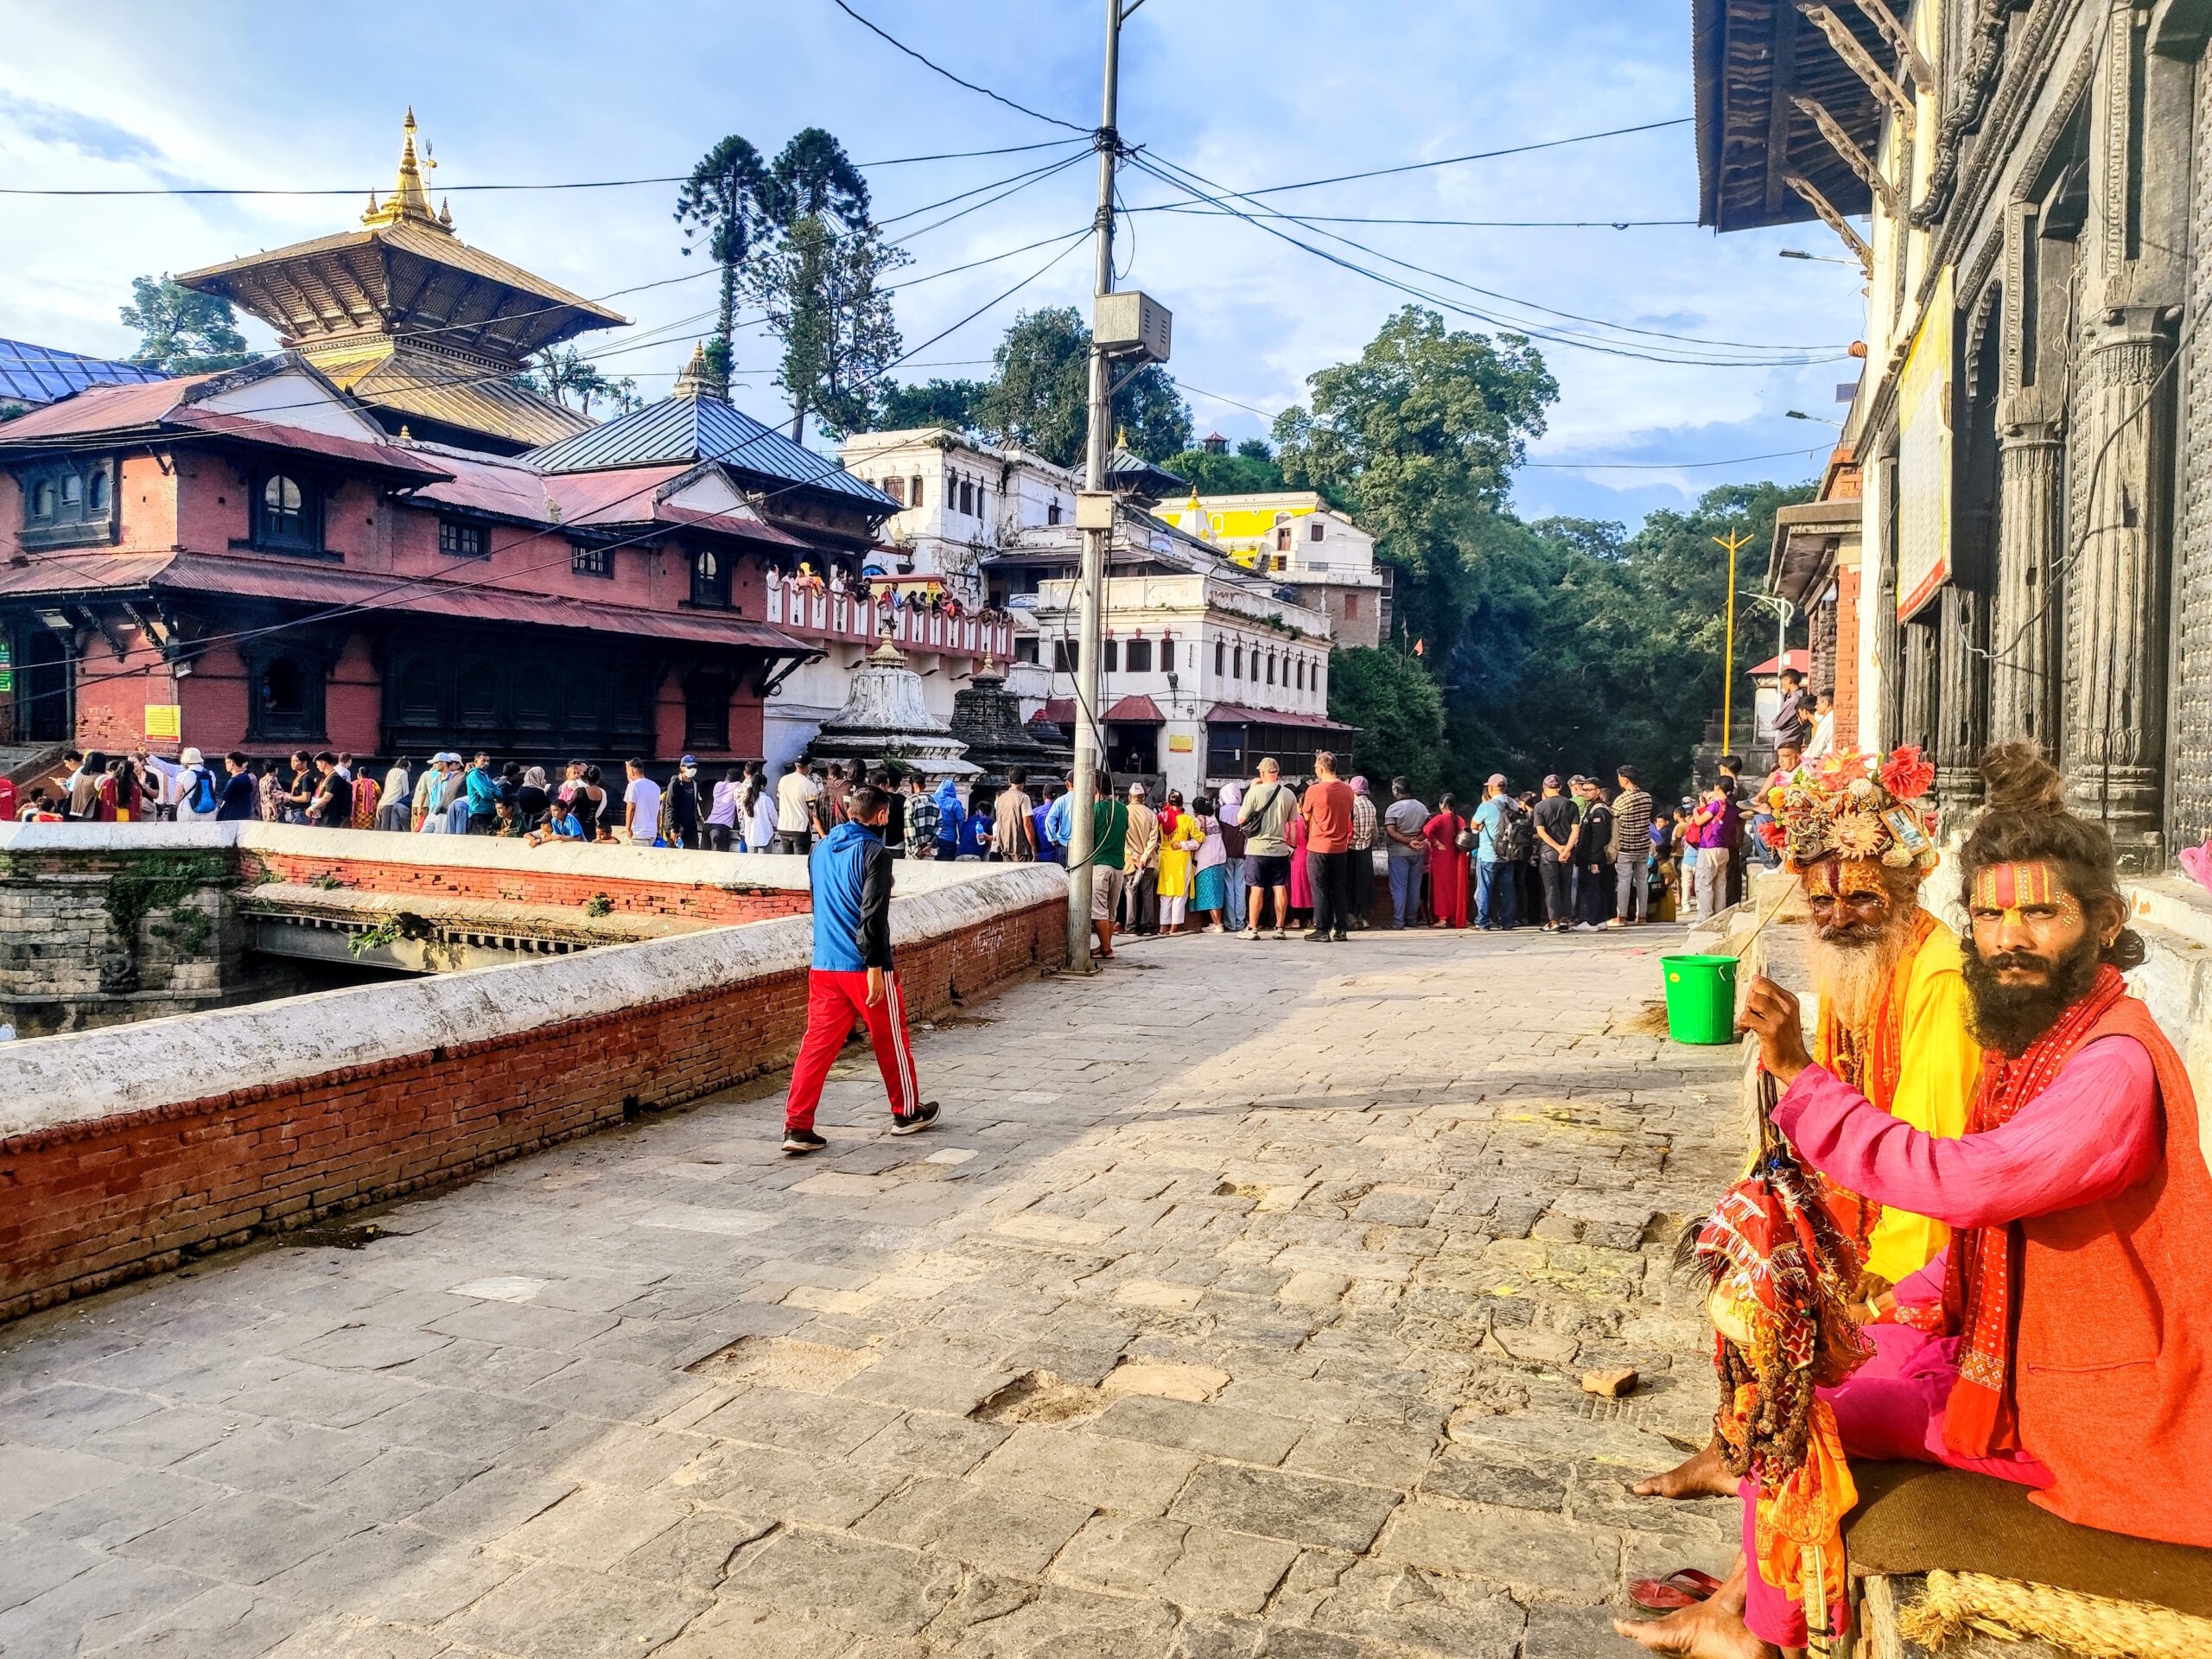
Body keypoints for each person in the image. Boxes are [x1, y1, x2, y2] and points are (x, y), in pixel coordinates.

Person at [1627, 741, 2212, 1657]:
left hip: (2097, 1412)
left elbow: (1963, 1181)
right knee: (1810, 1372)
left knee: (1797, 1418)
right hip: (2013, 1347)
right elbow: (1997, 1226)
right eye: (1987, 915)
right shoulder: (2051, 1039)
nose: (2006, 938)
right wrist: (1908, 1296)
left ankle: (1761, 1633)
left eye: (2037, 916)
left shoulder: (2113, 1069)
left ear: (2107, 922)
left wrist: (1800, 1079)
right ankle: (1743, 1602)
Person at [779, 783, 941, 1155]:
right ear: (882, 816)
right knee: (891, 1039)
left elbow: (819, 902)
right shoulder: (876, 853)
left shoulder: (818, 849)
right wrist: (874, 965)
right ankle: (907, 1112)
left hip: (824, 964)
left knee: (816, 1047)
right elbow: (873, 914)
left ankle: (797, 1125)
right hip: (864, 965)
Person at [1300, 750, 1357, 943]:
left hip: (1319, 846)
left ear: (1322, 768)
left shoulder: (1315, 790)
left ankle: (1322, 929)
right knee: (1339, 888)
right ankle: (1341, 928)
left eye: (1316, 767)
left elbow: (1306, 816)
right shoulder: (1348, 790)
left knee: (1320, 888)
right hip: (1340, 847)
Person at [1237, 760, 1297, 940]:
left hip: (1256, 848)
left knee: (1257, 889)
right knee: (1280, 888)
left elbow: (1241, 819)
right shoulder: (1289, 795)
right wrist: (1292, 846)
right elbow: (1293, 825)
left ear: (1262, 773)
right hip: (1279, 849)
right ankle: (1279, 928)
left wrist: (1251, 790)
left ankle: (1253, 928)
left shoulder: (1254, 792)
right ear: (1277, 772)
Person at [1087, 770, 1131, 961]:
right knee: (1111, 910)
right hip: (1118, 866)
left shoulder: (1094, 809)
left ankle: (1106, 949)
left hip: (1099, 865)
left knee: (1099, 911)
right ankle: (1106, 946)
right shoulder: (1122, 809)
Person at [1687, 772, 1740, 923]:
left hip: (1709, 846)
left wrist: (1697, 809)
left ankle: (1704, 917)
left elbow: (1699, 821)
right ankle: (1720, 915)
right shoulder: (1732, 806)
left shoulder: (1717, 805)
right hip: (1724, 848)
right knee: (1720, 883)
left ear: (1717, 787)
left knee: (1704, 882)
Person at [1382, 777, 1431, 929]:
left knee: (1399, 887)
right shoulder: (1421, 807)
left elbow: (1391, 831)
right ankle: (1411, 919)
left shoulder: (1393, 809)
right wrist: (1417, 840)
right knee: (1414, 887)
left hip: (1398, 852)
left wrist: (1407, 841)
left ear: (1397, 790)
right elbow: (1428, 829)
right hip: (1417, 852)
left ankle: (1398, 921)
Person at [1531, 774, 1578, 933]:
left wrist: (1557, 847)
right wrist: (1566, 849)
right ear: (1560, 787)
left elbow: (1541, 831)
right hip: (1568, 851)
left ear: (1544, 788)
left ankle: (1554, 921)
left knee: (1551, 887)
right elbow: (1575, 830)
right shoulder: (1571, 805)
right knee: (1565, 885)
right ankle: (1565, 919)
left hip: (1548, 852)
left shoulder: (1540, 807)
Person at [1470, 774, 1516, 931]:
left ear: (1490, 788)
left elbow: (1474, 826)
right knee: (1507, 890)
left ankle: (1482, 921)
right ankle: (1507, 921)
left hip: (1488, 854)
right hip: (1509, 854)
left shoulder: (1486, 807)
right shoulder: (1513, 804)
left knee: (1484, 889)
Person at [1609, 766, 1654, 927]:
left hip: (1626, 846)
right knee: (1642, 881)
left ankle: (1621, 916)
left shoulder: (1622, 799)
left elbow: (1612, 817)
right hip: (1643, 846)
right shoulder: (1647, 797)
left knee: (1624, 881)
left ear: (1625, 779)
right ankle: (1641, 916)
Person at [1155, 790, 1200, 934]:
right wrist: (1184, 844)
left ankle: (1163, 926)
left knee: (1165, 894)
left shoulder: (1161, 818)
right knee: (1180, 894)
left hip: (1165, 858)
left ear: (1168, 803)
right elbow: (1199, 839)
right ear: (1181, 805)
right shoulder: (1187, 820)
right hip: (1181, 859)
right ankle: (1175, 926)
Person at [1573, 779, 1614, 931]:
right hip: (1590, 856)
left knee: (1592, 888)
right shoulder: (1592, 808)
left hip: (1594, 857)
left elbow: (1599, 838)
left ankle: (1592, 920)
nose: (1586, 792)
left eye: (1589, 789)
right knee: (1598, 888)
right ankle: (1599, 919)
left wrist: (1594, 860)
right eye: (1584, 790)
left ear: (1598, 791)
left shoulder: (1599, 811)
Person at [1421, 792, 1467, 929]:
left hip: (1441, 858)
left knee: (1441, 889)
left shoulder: (1440, 819)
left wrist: (1436, 843)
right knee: (1454, 888)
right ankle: (1454, 916)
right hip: (1455, 857)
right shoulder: (1459, 819)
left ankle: (1443, 918)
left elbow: (1427, 830)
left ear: (1443, 805)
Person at [1122, 785, 1160, 934]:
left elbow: (1123, 840)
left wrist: (1135, 856)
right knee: (1147, 894)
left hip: (1131, 862)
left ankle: (1130, 926)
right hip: (1148, 862)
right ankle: (1149, 926)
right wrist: (1144, 858)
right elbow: (1153, 840)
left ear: (1130, 797)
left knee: (1130, 893)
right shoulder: (1151, 814)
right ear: (1143, 798)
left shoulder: (1123, 812)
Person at [1192, 797, 1229, 932]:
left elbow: (1196, 843)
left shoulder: (1197, 822)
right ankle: (1215, 922)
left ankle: (1217, 924)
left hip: (1207, 861)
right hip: (1220, 858)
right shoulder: (1214, 820)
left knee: (1211, 893)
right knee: (1217, 892)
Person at [1347, 775, 1378, 929]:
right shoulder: (1372, 807)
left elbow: (1348, 829)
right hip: (1366, 851)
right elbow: (1376, 833)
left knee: (1350, 884)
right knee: (1364, 886)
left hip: (1351, 850)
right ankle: (1363, 917)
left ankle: (1352, 917)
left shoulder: (1352, 805)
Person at [1217, 779, 1248, 927]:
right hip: (1242, 853)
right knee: (1240, 886)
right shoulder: (1245, 810)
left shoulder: (1220, 812)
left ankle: (1230, 922)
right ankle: (1241, 921)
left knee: (1229, 886)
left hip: (1226, 853)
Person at [775, 759, 819, 855]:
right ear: (809, 767)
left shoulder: (783, 780)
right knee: (800, 862)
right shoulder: (809, 785)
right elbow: (812, 811)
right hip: (800, 828)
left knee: (786, 863)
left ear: (796, 765)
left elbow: (779, 800)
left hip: (784, 827)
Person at [992, 770, 1037, 861]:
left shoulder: (1001, 798)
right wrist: (1033, 846)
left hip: (1005, 846)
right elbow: (1027, 824)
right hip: (1021, 849)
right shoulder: (1024, 797)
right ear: (1025, 781)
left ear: (1009, 780)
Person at [661, 756, 702, 849]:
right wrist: (674, 829)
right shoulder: (675, 784)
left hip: (690, 826)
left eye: (694, 767)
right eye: (689, 767)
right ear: (682, 768)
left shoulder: (695, 784)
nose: (692, 770)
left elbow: (695, 804)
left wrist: (699, 819)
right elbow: (670, 807)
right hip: (676, 826)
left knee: (693, 852)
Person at [308, 751, 353, 830]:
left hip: (332, 819)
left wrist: (312, 808)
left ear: (323, 763)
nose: (317, 767)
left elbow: (326, 798)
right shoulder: (328, 778)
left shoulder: (334, 779)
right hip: (325, 817)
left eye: (318, 764)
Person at [173, 748, 219, 824]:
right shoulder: (211, 774)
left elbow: (177, 798)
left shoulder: (184, 775)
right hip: (208, 810)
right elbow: (212, 791)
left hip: (187, 810)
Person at [1770, 664, 1811, 753]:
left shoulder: (1794, 700)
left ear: (1789, 680)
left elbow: (1778, 723)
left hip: (1787, 740)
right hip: (1793, 739)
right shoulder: (1796, 697)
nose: (1782, 686)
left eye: (1783, 683)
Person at [622, 759, 661, 846]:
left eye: (627, 771)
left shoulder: (633, 786)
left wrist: (628, 829)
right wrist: (657, 829)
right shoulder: (655, 786)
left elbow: (631, 808)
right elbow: (658, 812)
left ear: (632, 771)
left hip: (638, 833)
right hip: (652, 833)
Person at [705, 766, 743, 852]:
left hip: (708, 824)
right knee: (720, 859)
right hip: (721, 827)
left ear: (726, 777)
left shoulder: (718, 785)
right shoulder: (737, 786)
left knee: (704, 859)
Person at [930, 776, 965, 861]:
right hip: (948, 839)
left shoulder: (931, 799)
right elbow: (961, 822)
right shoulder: (955, 803)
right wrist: (962, 839)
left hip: (932, 839)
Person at [215, 752, 258, 822]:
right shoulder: (246, 777)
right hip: (244, 814)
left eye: (226, 763)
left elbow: (225, 796)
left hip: (232, 815)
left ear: (232, 763)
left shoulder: (234, 780)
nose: (225, 765)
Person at [906, 775, 940, 859]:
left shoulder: (910, 802)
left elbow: (909, 828)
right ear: (924, 786)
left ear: (913, 786)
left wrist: (914, 850)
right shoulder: (934, 803)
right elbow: (939, 825)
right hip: (929, 851)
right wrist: (930, 844)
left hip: (914, 852)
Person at [744, 766, 776, 853]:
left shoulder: (747, 799)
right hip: (765, 836)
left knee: (751, 863)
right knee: (764, 864)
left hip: (750, 837)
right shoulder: (766, 799)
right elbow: (774, 818)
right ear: (762, 786)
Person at [1805, 689, 1836, 760]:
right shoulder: (1829, 718)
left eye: (1817, 703)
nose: (1816, 707)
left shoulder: (1829, 720)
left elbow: (1818, 746)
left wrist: (1803, 758)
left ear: (1825, 703)